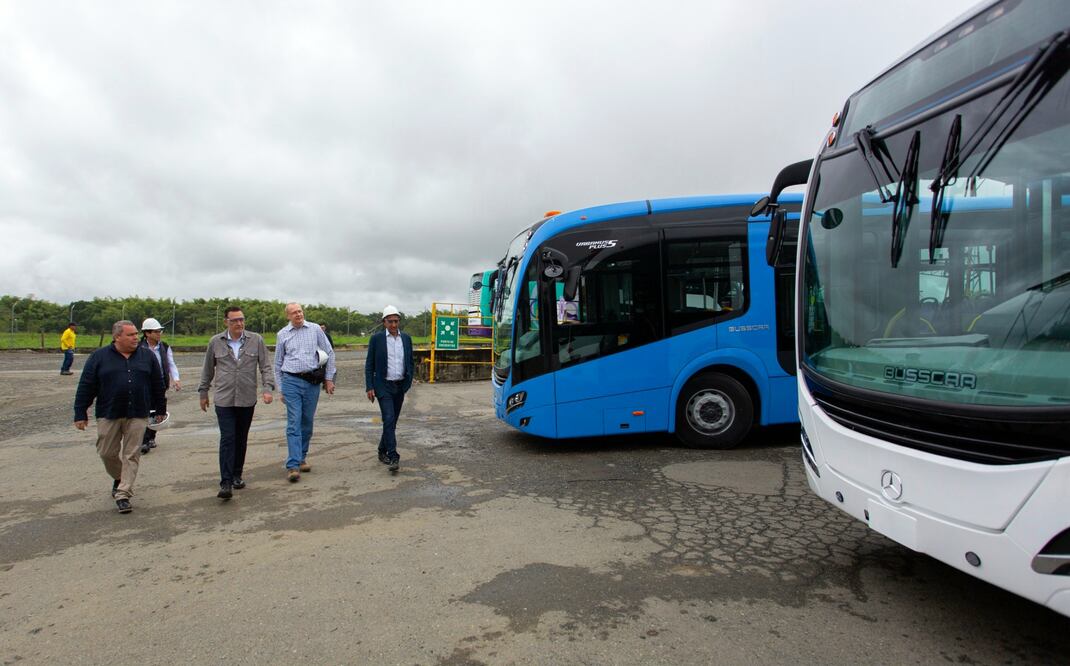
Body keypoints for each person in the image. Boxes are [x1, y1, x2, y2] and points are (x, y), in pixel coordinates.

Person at [73, 320, 166, 514]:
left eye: (135, 334)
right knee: (106, 452)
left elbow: (158, 384)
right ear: (117, 337)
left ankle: (123, 493)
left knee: (131, 454)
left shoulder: (147, 356)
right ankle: (119, 477)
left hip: (138, 413)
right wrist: (80, 412)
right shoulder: (99, 357)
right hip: (109, 413)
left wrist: (160, 410)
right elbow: (86, 385)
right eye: (130, 335)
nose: (135, 338)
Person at [198, 306, 275, 500]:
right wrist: (203, 392)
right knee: (228, 438)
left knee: (241, 438)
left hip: (247, 398)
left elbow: (266, 366)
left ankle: (236, 475)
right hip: (224, 399)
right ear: (226, 322)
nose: (239, 323)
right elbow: (207, 369)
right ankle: (225, 483)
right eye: (234, 320)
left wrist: (267, 389)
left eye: (241, 319)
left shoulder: (256, 340)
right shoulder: (215, 342)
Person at [274, 302, 335, 482]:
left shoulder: (315, 329)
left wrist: (329, 378)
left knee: (307, 422)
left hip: (312, 382)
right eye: (294, 313)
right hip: (291, 381)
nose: (298, 315)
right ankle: (293, 465)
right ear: (288, 316)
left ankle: (301, 457)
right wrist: (281, 389)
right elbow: (277, 364)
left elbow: (329, 352)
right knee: (294, 422)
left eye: (299, 311)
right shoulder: (282, 335)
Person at [365, 305, 414, 472]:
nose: (394, 324)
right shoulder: (377, 339)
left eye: (396, 321)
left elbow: (410, 361)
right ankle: (393, 456)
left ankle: (381, 450)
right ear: (384, 322)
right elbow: (369, 364)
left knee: (391, 422)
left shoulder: (406, 339)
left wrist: (408, 382)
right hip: (383, 385)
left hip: (399, 385)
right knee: (388, 417)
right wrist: (369, 386)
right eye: (390, 321)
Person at [138, 318, 181, 454]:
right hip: (143, 384)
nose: (159, 334)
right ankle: (143, 440)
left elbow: (171, 363)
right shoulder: (138, 348)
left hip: (160, 383)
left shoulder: (165, 347)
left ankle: (151, 437)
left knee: (158, 411)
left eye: (159, 331)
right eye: (156, 332)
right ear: (147, 333)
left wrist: (176, 379)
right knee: (145, 411)